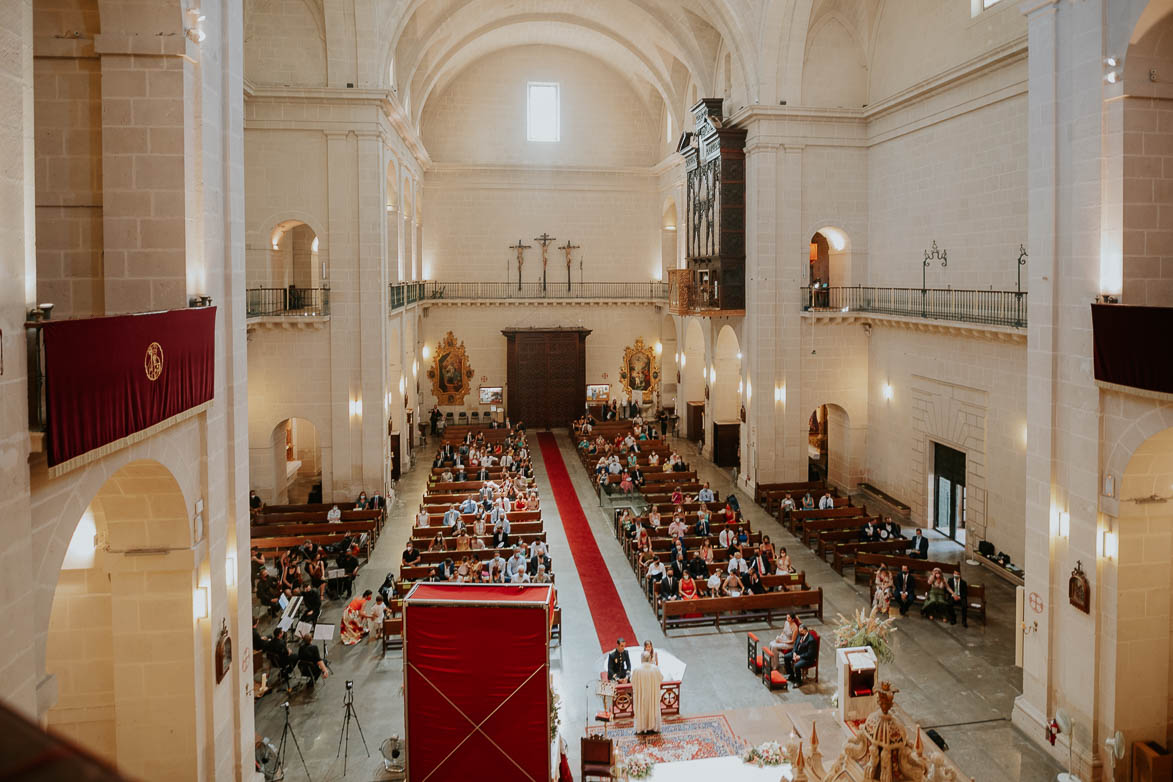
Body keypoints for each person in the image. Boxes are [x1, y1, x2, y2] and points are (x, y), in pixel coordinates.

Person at [632, 641, 664, 735]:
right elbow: (660, 679)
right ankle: (653, 727)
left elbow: (632, 681)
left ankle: (642, 727)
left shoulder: (637, 670)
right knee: (653, 708)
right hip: (652, 695)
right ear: (649, 658)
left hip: (642, 695)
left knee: (642, 709)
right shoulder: (655, 669)